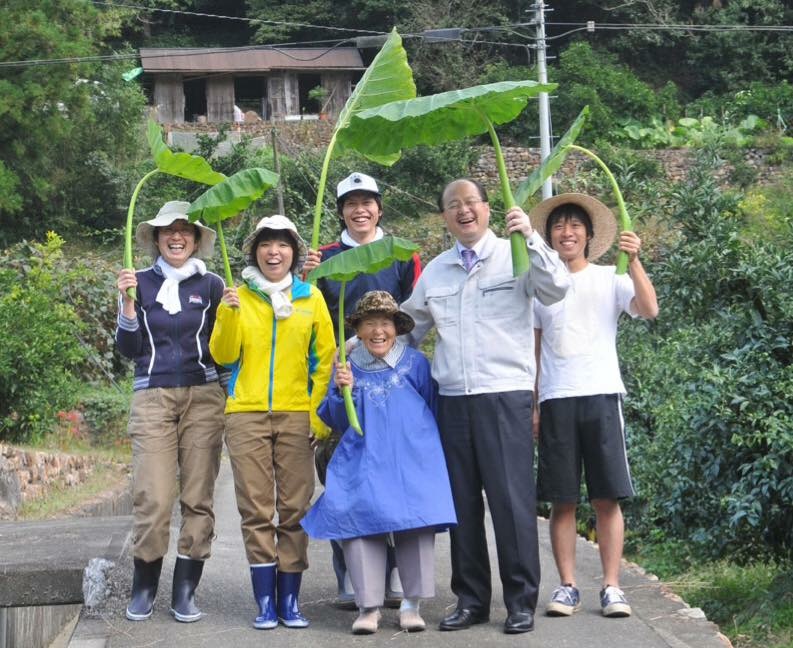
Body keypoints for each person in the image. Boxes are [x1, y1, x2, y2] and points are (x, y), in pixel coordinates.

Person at [400, 178, 570, 634]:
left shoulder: (515, 255)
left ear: (489, 208)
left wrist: (531, 237)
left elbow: (556, 289)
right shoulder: (435, 271)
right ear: (444, 217)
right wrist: (358, 346)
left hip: (504, 395)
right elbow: (406, 327)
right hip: (453, 400)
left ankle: (519, 601)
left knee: (511, 501)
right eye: (453, 205)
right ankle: (471, 599)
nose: (463, 211)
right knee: (462, 505)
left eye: (471, 202)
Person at [529, 193, 658, 619]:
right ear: (550, 237)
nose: (567, 232)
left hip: (602, 394)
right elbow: (535, 348)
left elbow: (649, 308)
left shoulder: (610, 277)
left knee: (606, 497)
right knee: (562, 501)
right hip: (556, 398)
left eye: (574, 226)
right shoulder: (539, 285)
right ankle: (567, 586)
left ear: (588, 235)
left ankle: (612, 587)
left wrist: (634, 259)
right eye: (559, 227)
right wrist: (534, 403)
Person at [301, 291, 457, 635]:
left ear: (395, 328)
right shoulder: (345, 365)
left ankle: (411, 605)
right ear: (358, 329)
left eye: (385, 323)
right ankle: (367, 607)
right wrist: (345, 389)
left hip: (412, 457)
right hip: (363, 456)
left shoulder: (416, 362)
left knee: (415, 524)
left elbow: (433, 406)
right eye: (369, 323)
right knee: (359, 524)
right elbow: (335, 418)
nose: (378, 331)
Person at [209, 214, 335, 630]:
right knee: (256, 509)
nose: (274, 251)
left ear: (295, 253)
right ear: (255, 252)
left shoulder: (310, 298)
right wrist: (226, 314)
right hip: (245, 414)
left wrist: (317, 415)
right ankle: (265, 601)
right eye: (266, 244)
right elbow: (224, 356)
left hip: (297, 413)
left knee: (295, 508)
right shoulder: (238, 298)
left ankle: (291, 601)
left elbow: (324, 361)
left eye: (282, 244)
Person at [303, 171, 421, 608]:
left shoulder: (402, 255)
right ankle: (350, 575)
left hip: (390, 383)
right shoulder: (325, 258)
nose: (360, 209)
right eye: (351, 203)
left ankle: (390, 574)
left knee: (391, 481)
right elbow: (309, 325)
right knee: (341, 480)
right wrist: (308, 278)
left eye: (367, 201)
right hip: (342, 383)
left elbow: (417, 318)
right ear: (340, 212)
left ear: (379, 208)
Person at [116, 200, 226, 624]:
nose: (176, 236)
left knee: (198, 496)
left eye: (185, 230)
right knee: (154, 496)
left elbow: (226, 350)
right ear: (157, 239)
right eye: (168, 230)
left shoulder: (214, 285)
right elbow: (128, 350)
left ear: (197, 240)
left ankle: (185, 589)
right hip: (152, 397)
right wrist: (127, 305)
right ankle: (144, 585)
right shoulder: (138, 282)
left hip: (203, 395)